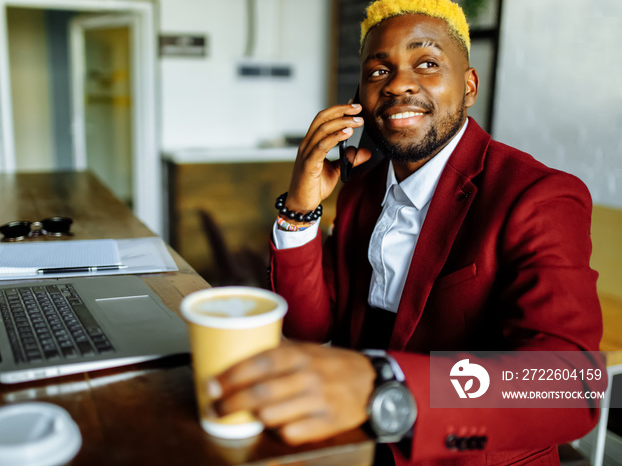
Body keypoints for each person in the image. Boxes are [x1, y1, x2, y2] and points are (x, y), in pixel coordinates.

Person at [206, 0, 603, 464]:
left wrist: (384, 382)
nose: (397, 83)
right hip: (357, 448)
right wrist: (299, 208)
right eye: (378, 71)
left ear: (469, 86)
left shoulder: (537, 196)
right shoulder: (361, 190)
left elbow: (568, 386)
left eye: (427, 63)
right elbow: (309, 327)